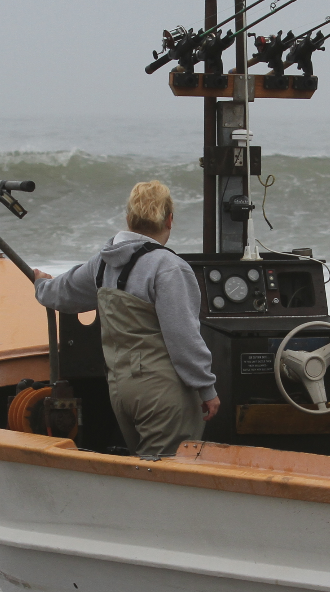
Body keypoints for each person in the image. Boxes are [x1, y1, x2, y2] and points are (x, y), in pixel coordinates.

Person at [31, 180, 219, 457]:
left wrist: (40, 285)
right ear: (169, 220)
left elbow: (62, 293)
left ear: (129, 219)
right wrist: (207, 388)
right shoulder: (169, 267)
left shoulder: (103, 264)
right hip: (161, 391)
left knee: (143, 467)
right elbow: (183, 338)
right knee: (168, 474)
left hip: (122, 391)